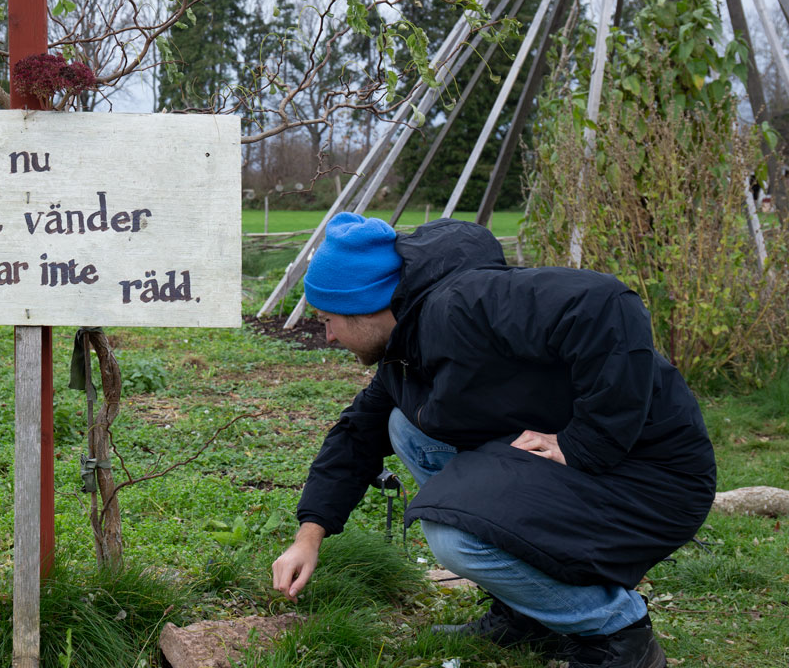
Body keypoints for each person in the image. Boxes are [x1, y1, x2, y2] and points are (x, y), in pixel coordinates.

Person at [271, 214, 715, 668]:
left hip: (648, 477)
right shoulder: (405, 349)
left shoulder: (462, 304)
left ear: (364, 305)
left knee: (453, 534)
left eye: (328, 320)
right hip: (588, 471)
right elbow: (355, 435)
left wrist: (586, 442)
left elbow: (604, 303)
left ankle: (618, 633)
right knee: (404, 425)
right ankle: (530, 611)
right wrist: (310, 536)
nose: (328, 335)